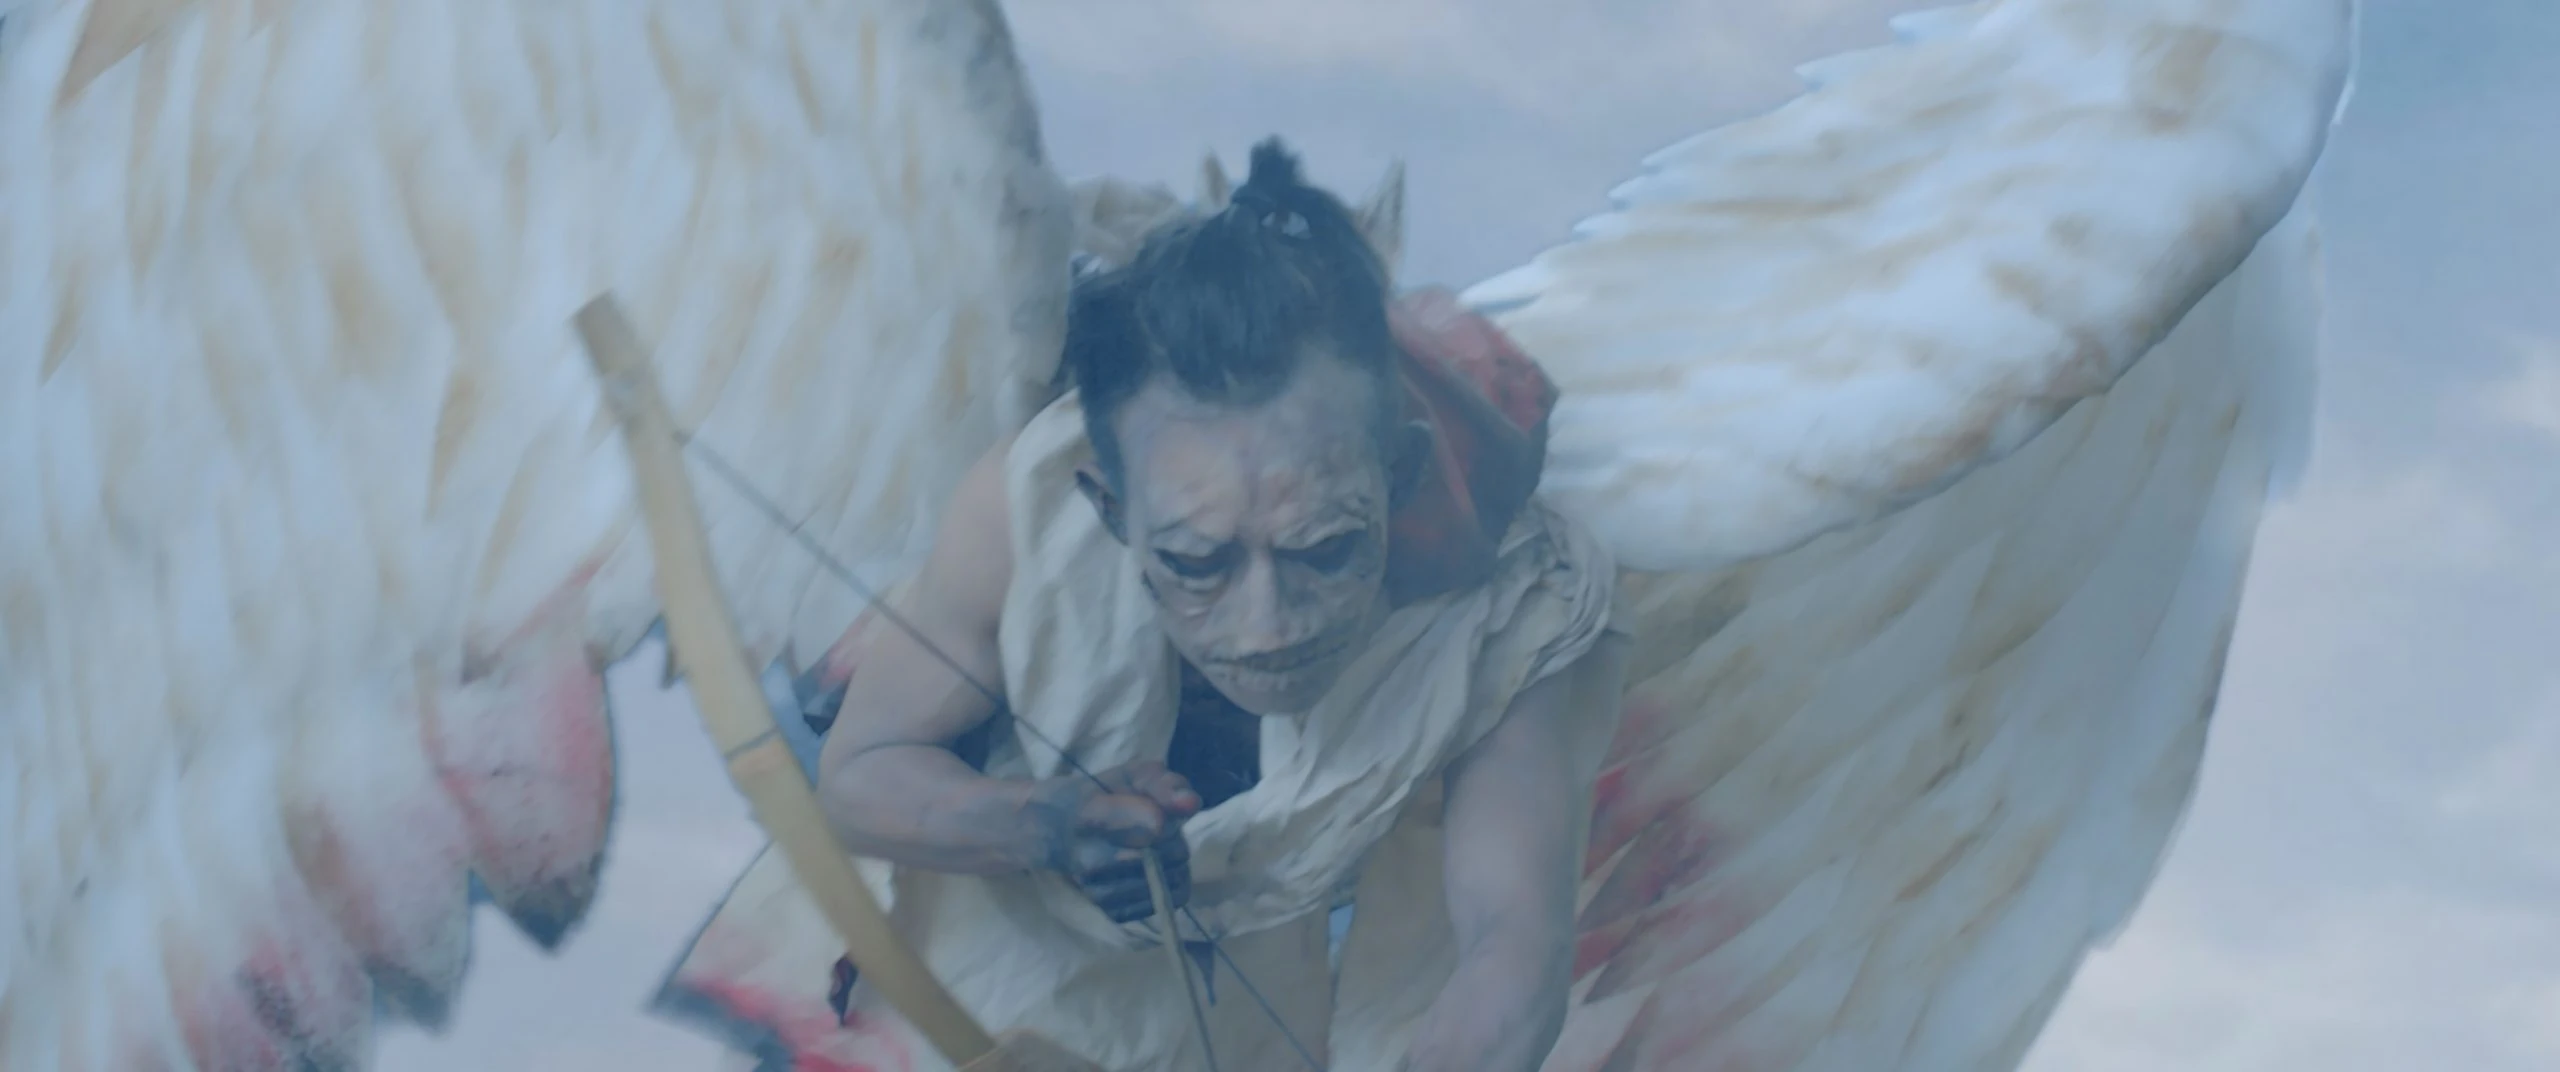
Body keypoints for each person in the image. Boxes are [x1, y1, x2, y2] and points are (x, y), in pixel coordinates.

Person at [659, 139, 1626, 1072]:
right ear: (1110, 510)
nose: (1267, 627)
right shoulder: (1023, 510)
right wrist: (1047, 823)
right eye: (1199, 562)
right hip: (987, 975)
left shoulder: (1512, 608)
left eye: (1324, 548)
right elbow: (862, 775)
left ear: (1400, 474)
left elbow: (1511, 946)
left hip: (1265, 1006)